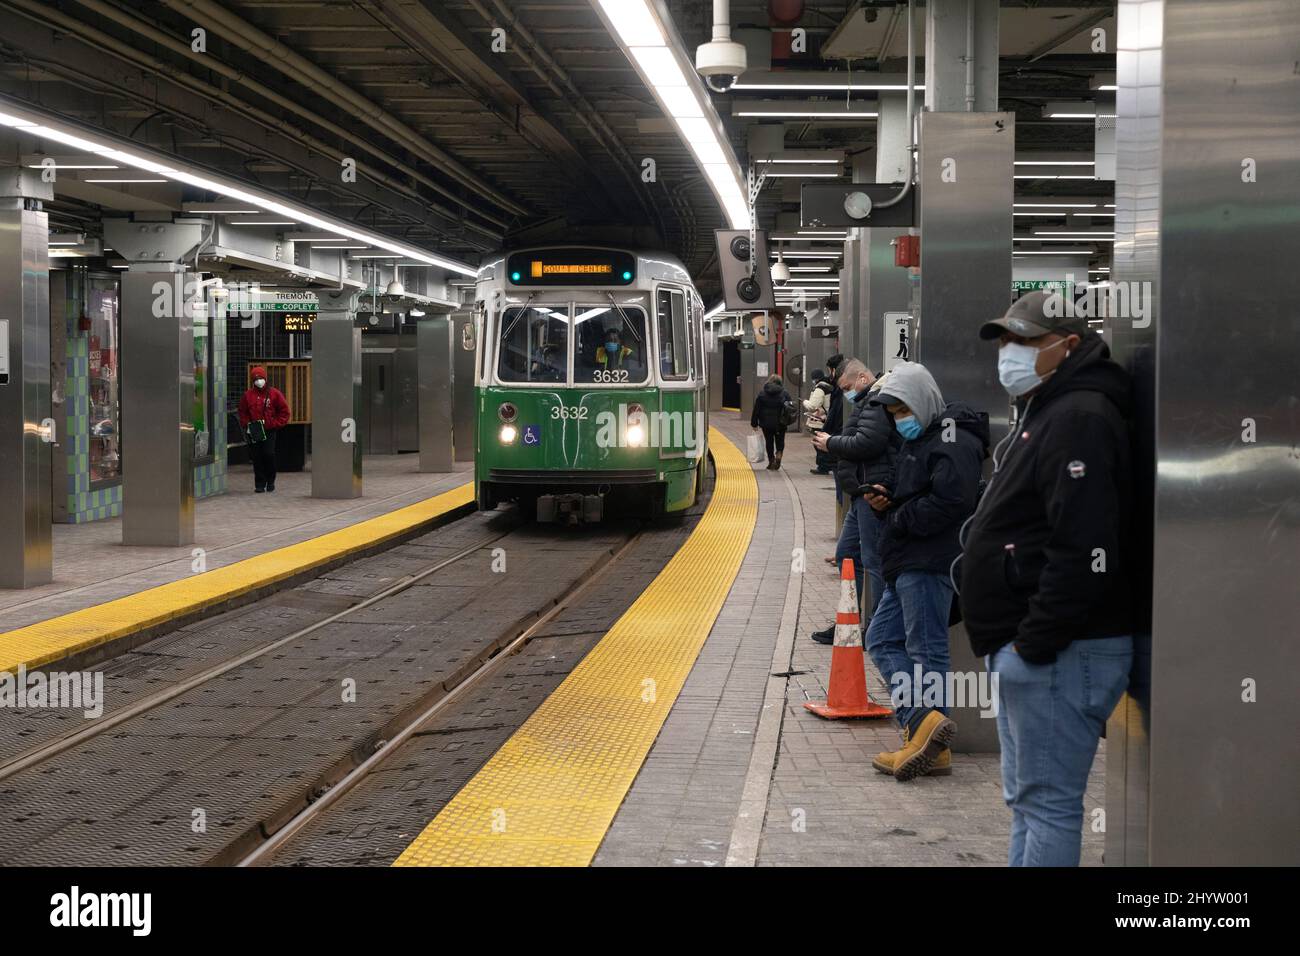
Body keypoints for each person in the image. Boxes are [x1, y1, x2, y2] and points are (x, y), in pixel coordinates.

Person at [958, 291, 1135, 866]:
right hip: (1040, 652)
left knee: (1049, 806)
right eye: (1005, 341)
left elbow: (1084, 548)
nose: (1009, 352)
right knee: (1030, 804)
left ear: (1068, 346)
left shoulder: (1078, 418)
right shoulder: (1048, 409)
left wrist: (1032, 645)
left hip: (1060, 654)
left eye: (1025, 341)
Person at [861, 362, 988, 781]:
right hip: (909, 560)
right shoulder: (927, 439)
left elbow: (953, 502)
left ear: (922, 400)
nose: (900, 420)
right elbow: (919, 493)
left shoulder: (954, 439)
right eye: (894, 413)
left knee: (927, 652)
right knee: (880, 639)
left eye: (903, 410)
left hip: (931, 561)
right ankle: (923, 724)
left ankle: (928, 739)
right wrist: (889, 498)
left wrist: (897, 516)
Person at [808, 360, 899, 643]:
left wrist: (831, 443)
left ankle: (877, 629)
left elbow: (867, 443)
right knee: (847, 555)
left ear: (862, 377)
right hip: (860, 494)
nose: (848, 393)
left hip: (872, 494)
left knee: (873, 561)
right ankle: (848, 621)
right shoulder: (867, 401)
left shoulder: (876, 402)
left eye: (848, 387)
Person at [237, 365, 291, 493]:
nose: (258, 381)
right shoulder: (248, 395)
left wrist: (275, 423)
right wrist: (247, 425)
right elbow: (242, 412)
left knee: (269, 454)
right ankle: (259, 483)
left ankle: (271, 480)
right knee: (257, 457)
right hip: (255, 429)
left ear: (265, 378)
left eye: (260, 378)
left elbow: (284, 412)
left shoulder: (274, 394)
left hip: (269, 429)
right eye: (255, 379)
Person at [749, 374, 792, 470]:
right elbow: (790, 408)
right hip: (780, 423)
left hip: (766, 423)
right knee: (780, 440)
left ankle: (771, 461)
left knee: (769, 442)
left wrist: (754, 423)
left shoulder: (762, 393)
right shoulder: (785, 393)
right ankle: (779, 453)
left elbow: (757, 409)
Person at [803, 372, 833, 472]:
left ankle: (823, 467)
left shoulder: (820, 388)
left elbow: (812, 406)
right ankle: (826, 465)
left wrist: (804, 401)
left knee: (818, 443)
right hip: (826, 417)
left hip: (820, 419)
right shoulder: (829, 386)